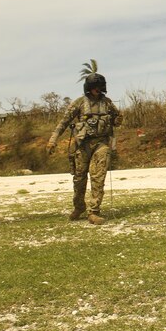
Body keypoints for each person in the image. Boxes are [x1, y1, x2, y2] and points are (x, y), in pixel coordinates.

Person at [46, 72, 121, 225]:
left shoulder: (107, 103)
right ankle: (79, 207)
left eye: (100, 87)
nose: (97, 90)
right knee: (79, 179)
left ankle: (94, 211)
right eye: (95, 88)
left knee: (98, 178)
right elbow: (63, 122)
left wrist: (117, 119)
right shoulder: (79, 103)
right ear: (89, 88)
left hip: (101, 144)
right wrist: (52, 141)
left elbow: (118, 117)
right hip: (82, 145)